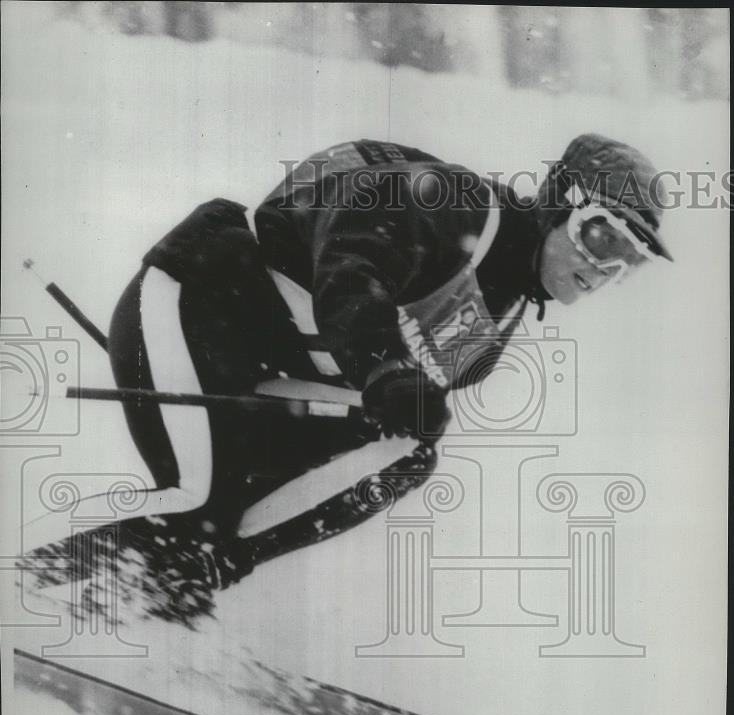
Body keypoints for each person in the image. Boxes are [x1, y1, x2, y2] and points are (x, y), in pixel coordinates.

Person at [36, 134, 673, 613]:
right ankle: (20, 579)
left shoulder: (487, 336)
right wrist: (387, 368)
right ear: (560, 207)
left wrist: (393, 394)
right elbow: (349, 267)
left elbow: (370, 422)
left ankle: (180, 578)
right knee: (191, 496)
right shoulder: (454, 206)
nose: (605, 269)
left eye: (629, 261)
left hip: (257, 373)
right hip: (194, 303)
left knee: (407, 452)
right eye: (603, 238)